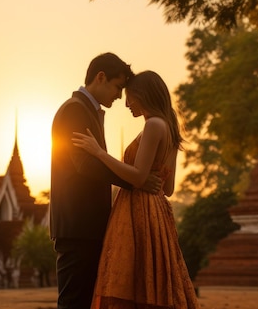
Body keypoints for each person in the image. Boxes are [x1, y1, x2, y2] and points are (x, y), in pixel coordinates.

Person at [72, 70, 200, 309]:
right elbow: (168, 188)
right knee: (151, 283)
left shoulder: (153, 125)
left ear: (144, 95)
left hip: (138, 211)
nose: (127, 103)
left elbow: (139, 177)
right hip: (158, 213)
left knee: (132, 282)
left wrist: (99, 153)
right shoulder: (170, 128)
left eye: (130, 97)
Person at [50, 53, 160, 309]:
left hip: (88, 225)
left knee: (86, 300)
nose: (120, 96)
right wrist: (136, 180)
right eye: (118, 87)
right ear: (100, 77)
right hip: (77, 224)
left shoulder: (87, 110)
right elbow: (84, 164)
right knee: (74, 302)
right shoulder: (74, 110)